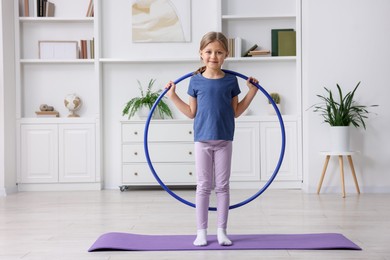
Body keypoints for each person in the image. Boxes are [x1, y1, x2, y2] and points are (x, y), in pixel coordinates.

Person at [165, 31, 259, 246]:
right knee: (203, 186)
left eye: (218, 52)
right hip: (202, 140)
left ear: (226, 54)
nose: (213, 56)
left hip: (225, 139)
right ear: (201, 53)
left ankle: (222, 231)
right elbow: (191, 112)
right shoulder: (195, 81)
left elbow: (236, 111)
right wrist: (172, 96)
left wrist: (252, 92)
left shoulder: (230, 80)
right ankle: (201, 232)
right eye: (209, 52)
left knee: (223, 186)